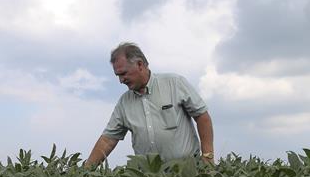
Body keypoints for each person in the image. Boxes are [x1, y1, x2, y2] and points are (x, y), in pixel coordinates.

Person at [84, 42, 215, 167]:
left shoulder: (174, 83)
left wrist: (207, 156)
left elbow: (202, 116)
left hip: (187, 172)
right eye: (118, 75)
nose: (121, 80)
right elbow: (108, 140)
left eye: (123, 74)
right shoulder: (124, 102)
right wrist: (86, 171)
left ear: (140, 65)